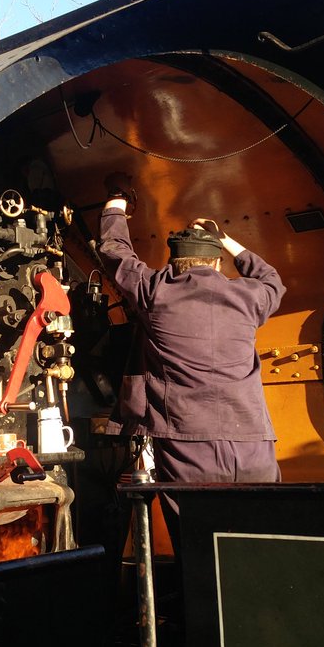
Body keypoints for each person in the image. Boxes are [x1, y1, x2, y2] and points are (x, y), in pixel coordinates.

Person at [98, 174, 285, 543]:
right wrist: (226, 239)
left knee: (198, 545)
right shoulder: (249, 298)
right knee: (264, 542)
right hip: (252, 443)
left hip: (187, 443)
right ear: (215, 264)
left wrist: (115, 202)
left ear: (174, 264)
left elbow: (114, 251)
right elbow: (272, 278)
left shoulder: (155, 292)